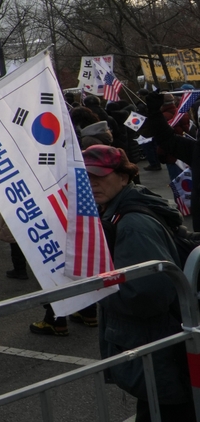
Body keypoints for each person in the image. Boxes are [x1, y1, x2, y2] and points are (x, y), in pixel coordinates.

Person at [85, 145, 195, 421]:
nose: (92, 182)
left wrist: (95, 288)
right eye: (86, 177)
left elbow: (148, 295)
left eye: (100, 175)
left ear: (124, 176)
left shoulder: (132, 223)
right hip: (160, 351)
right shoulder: (117, 209)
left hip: (159, 352)